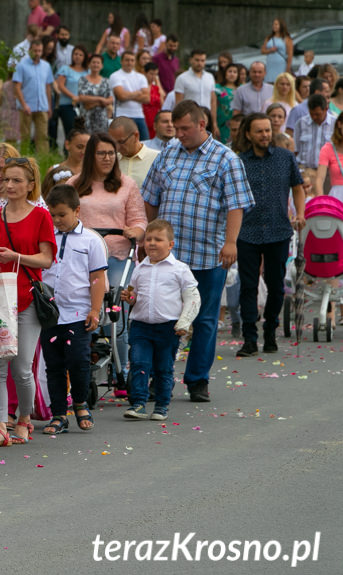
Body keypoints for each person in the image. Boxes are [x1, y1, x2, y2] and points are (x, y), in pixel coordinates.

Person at [142, 100, 255, 402]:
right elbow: (151, 195)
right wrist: (152, 233)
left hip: (207, 254)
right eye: (175, 128)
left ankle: (197, 380)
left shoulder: (225, 158)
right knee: (164, 317)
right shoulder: (168, 154)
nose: (178, 134)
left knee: (204, 318)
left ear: (202, 124)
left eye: (185, 128)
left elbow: (236, 204)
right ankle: (160, 378)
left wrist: (230, 242)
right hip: (169, 257)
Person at [0, 157, 55, 448]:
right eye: (6, 179)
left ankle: (24, 418)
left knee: (22, 366)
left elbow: (46, 259)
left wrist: (15, 256)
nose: (8, 185)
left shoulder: (40, 217)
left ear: (31, 185)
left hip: (26, 298)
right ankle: (1, 426)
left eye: (16, 180)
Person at [68, 133, 147, 379]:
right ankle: (85, 364)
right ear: (91, 155)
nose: (107, 158)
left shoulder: (126, 184)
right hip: (83, 257)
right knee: (83, 309)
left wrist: (135, 230)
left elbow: (138, 219)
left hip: (117, 254)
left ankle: (121, 368)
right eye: (101, 153)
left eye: (111, 153)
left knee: (115, 309)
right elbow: (64, 217)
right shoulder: (74, 184)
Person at [233, 113, 305, 357]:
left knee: (276, 287)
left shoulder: (285, 158)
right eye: (259, 131)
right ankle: (250, 339)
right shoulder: (239, 161)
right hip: (247, 232)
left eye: (267, 130)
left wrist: (300, 213)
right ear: (248, 134)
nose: (265, 135)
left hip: (278, 231)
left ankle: (271, 330)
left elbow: (298, 187)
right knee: (248, 287)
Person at [40, 184, 106, 434]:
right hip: (50, 313)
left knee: (78, 361)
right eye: (52, 215)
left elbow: (97, 277)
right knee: (53, 365)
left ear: (77, 211)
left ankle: (79, 401)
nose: (57, 220)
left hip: (79, 312)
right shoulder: (46, 237)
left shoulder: (91, 240)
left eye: (62, 215)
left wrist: (95, 310)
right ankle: (58, 414)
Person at [121, 219, 200, 420]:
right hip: (141, 326)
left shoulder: (180, 269)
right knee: (139, 363)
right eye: (148, 239)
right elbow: (133, 295)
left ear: (170, 244)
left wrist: (184, 322)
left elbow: (192, 297)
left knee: (163, 368)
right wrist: (129, 298)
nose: (152, 243)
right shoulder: (139, 269)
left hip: (168, 327)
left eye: (158, 239)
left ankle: (161, 406)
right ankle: (138, 403)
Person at [13, 38, 56, 155]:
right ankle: (23, 159)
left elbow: (48, 87)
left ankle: (43, 161)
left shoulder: (46, 66)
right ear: (30, 50)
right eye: (35, 51)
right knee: (25, 136)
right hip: (26, 107)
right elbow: (17, 87)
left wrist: (49, 106)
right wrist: (23, 105)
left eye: (39, 51)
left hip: (42, 106)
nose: (37, 53)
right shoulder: (21, 66)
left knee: (43, 136)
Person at [174, 49, 218, 137]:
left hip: (206, 119)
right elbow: (179, 102)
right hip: (190, 118)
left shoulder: (210, 77)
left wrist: (214, 122)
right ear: (191, 60)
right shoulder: (182, 78)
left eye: (202, 60)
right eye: (197, 60)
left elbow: (213, 101)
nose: (200, 63)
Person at [110, 51, 151, 140]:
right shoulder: (115, 76)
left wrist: (127, 94)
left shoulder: (141, 77)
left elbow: (147, 98)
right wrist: (137, 93)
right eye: (127, 60)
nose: (129, 63)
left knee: (145, 142)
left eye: (132, 60)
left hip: (139, 115)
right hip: (122, 114)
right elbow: (121, 96)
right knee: (123, 142)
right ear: (121, 61)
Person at [54, 45, 88, 148]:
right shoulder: (65, 69)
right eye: (75, 54)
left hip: (83, 106)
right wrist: (74, 96)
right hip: (67, 105)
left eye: (80, 55)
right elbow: (61, 85)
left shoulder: (87, 71)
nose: (78, 56)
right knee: (71, 131)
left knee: (82, 131)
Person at [109, 116, 159, 186]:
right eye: (114, 143)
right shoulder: (111, 160)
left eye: (121, 142)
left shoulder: (157, 158)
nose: (117, 147)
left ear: (136, 136)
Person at [294, 94, 335, 170]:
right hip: (305, 170)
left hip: (328, 172)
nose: (314, 117)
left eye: (317, 114)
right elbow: (296, 150)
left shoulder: (335, 124)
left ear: (326, 109)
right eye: (311, 114)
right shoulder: (301, 123)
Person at [77, 54, 113, 135]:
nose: (96, 65)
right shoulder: (83, 80)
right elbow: (82, 97)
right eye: (93, 62)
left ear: (102, 66)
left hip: (102, 119)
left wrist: (92, 103)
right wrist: (100, 100)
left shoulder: (106, 81)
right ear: (89, 64)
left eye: (98, 63)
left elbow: (110, 99)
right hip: (86, 118)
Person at [315, 113, 343, 200]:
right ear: (339, 124)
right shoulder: (328, 149)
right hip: (337, 196)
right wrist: (321, 201)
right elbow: (319, 179)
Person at [261, 18, 293, 83]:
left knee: (279, 82)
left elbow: (290, 55)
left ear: (281, 26)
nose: (274, 26)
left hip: (281, 65)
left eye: (276, 24)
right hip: (270, 64)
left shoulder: (287, 39)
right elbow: (262, 50)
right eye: (273, 24)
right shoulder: (269, 38)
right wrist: (270, 50)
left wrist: (287, 69)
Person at [216, 64, 242, 144]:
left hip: (238, 123)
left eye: (235, 72)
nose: (232, 74)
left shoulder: (242, 88)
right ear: (225, 73)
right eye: (230, 71)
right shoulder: (217, 88)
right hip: (221, 123)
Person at [142, 62, 164, 137]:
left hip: (154, 119)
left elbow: (162, 102)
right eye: (151, 74)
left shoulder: (156, 88)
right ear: (145, 73)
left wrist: (157, 82)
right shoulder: (141, 87)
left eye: (155, 74)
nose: (153, 77)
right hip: (144, 118)